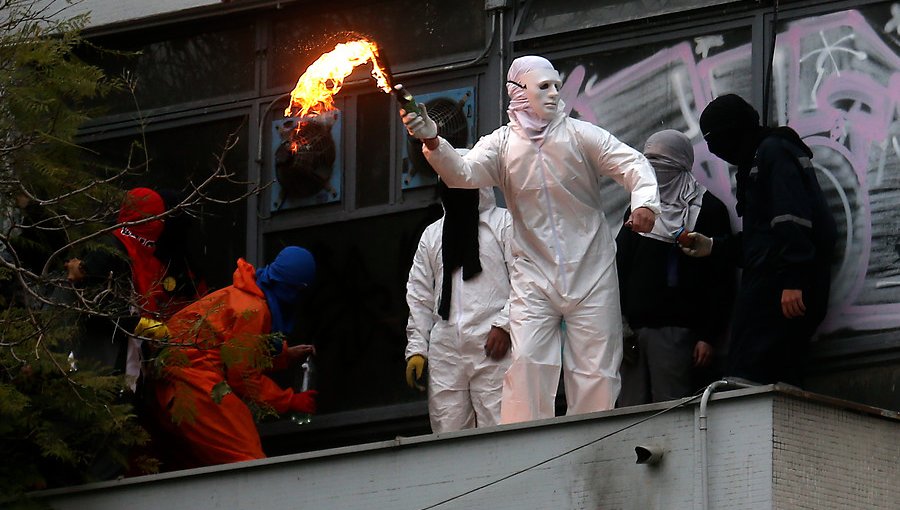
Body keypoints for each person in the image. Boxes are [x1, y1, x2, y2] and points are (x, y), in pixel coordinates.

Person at [401, 55, 660, 423]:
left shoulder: (579, 135)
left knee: (597, 374)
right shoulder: (501, 145)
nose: (555, 93)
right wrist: (431, 139)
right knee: (525, 370)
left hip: (592, 270)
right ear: (517, 91)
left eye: (556, 85)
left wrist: (645, 202)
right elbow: (462, 173)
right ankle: (527, 452)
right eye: (544, 86)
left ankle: (589, 457)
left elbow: (632, 164)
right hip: (534, 276)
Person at [684, 94, 837, 386]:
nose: (716, 152)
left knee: (754, 375)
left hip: (781, 289)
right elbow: (763, 238)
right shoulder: (758, 157)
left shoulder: (773, 152)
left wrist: (793, 280)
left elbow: (792, 218)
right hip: (771, 284)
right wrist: (714, 246)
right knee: (763, 374)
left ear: (733, 131)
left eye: (716, 141)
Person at [153, 246, 318, 466]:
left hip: (170, 386)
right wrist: (289, 400)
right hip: (195, 387)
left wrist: (284, 354)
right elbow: (242, 375)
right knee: (248, 462)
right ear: (296, 289)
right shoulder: (254, 309)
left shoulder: (243, 295)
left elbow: (232, 345)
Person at [615, 129, 734, 406]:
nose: (655, 169)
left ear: (681, 163)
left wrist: (708, 336)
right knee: (629, 413)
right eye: (649, 161)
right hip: (633, 334)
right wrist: (619, 325)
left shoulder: (707, 210)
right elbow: (619, 267)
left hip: (677, 335)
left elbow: (720, 280)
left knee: (670, 411)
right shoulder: (639, 210)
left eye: (663, 162)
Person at [405, 178, 513, 433]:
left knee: (502, 429)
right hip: (446, 349)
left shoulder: (503, 223)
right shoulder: (433, 235)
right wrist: (418, 349)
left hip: (493, 343)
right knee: (448, 434)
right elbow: (420, 295)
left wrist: (505, 326)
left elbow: (525, 278)